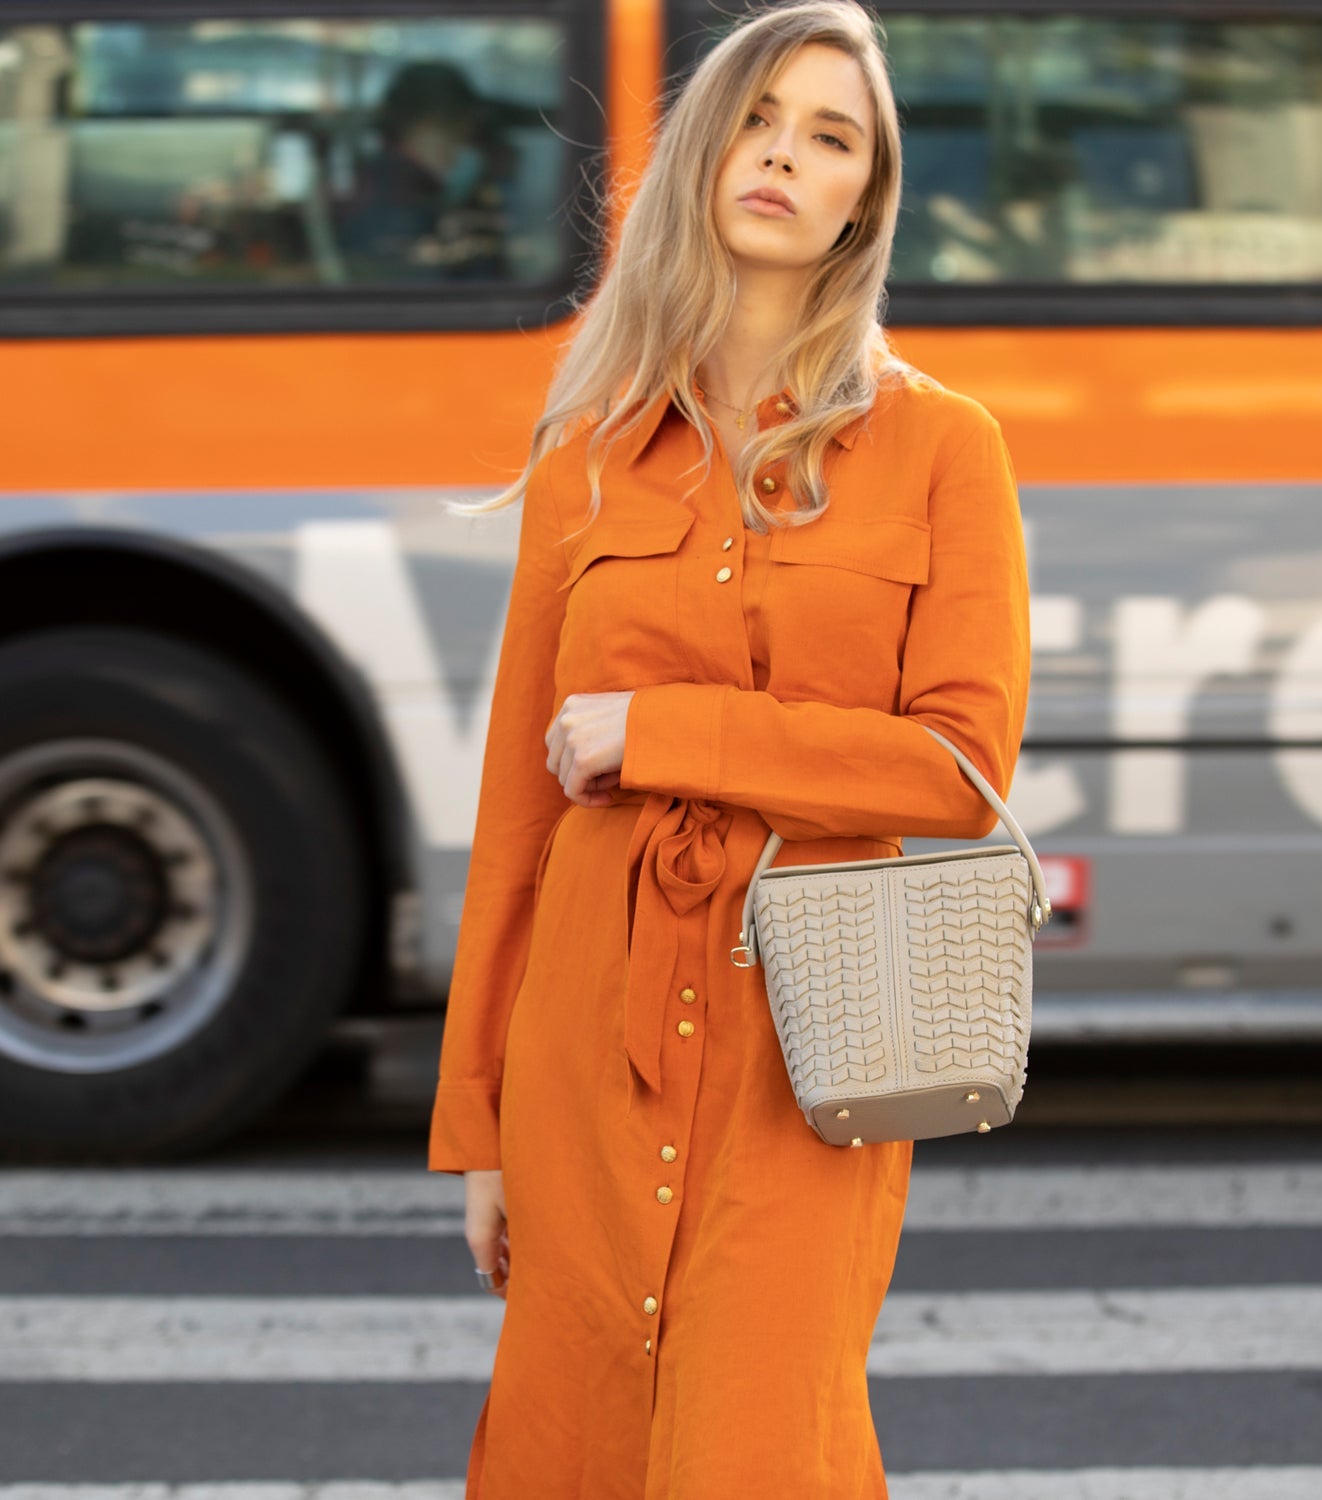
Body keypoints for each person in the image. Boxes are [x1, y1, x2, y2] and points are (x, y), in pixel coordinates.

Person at [427, 1, 1031, 1493]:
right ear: (704, 154)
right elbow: (517, 811)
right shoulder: (589, 450)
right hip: (588, 1032)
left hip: (810, 1050)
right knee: (574, 1432)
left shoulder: (944, 445)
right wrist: (478, 1133)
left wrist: (664, 732)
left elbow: (958, 774)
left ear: (861, 201)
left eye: (830, 137)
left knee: (763, 1437)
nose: (784, 154)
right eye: (759, 118)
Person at [338, 59, 508, 281]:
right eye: (465, 133)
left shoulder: (378, 183)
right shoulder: (400, 201)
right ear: (435, 122)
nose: (465, 148)